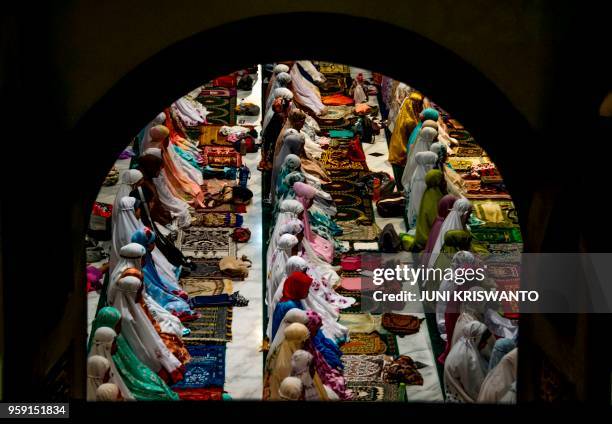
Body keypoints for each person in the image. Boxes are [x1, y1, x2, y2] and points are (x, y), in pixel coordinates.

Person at [87, 306, 179, 400]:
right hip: (124, 385)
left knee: (157, 383)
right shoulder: (100, 360)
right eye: (118, 325)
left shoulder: (115, 338)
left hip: (133, 376)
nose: (120, 327)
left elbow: (132, 363)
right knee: (159, 394)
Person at [111, 276, 184, 384]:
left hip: (147, 338)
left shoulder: (132, 305)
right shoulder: (126, 316)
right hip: (139, 348)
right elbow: (138, 338)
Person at [130, 227, 197, 321]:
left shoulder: (146, 256)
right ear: (146, 245)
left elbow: (156, 279)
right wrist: (165, 293)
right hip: (149, 294)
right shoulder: (140, 263)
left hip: (154, 288)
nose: (154, 245)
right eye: (152, 243)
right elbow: (150, 287)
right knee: (179, 306)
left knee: (181, 295)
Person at [143, 148, 192, 229]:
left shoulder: (155, 168)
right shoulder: (151, 174)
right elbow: (158, 196)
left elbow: (164, 188)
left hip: (164, 198)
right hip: (159, 203)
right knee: (181, 212)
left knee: (181, 207)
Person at [444, 321, 490, 403]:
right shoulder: (470, 358)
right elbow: (475, 388)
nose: (485, 344)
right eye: (483, 341)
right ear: (477, 339)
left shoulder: (462, 343)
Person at [264, 322, 311, 400]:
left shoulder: (283, 347)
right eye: (302, 342)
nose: (304, 344)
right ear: (296, 342)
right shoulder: (286, 364)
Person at [90, 327, 135, 400]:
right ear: (106, 345)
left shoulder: (106, 360)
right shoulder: (100, 364)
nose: (117, 346)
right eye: (114, 343)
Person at [428, 197, 473, 267]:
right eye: (469, 215)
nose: (469, 218)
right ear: (465, 215)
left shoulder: (447, 224)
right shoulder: (453, 234)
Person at [388, 91, 424, 168]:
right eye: (418, 103)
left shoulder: (405, 112)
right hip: (402, 153)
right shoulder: (410, 120)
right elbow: (415, 130)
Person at [405, 151, 439, 230]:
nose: (434, 166)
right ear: (427, 165)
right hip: (421, 220)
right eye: (432, 163)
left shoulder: (420, 173)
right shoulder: (421, 181)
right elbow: (419, 206)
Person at [414, 170, 446, 250]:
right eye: (442, 180)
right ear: (437, 181)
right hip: (427, 238)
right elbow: (435, 222)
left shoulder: (429, 192)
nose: (444, 182)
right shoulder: (434, 197)